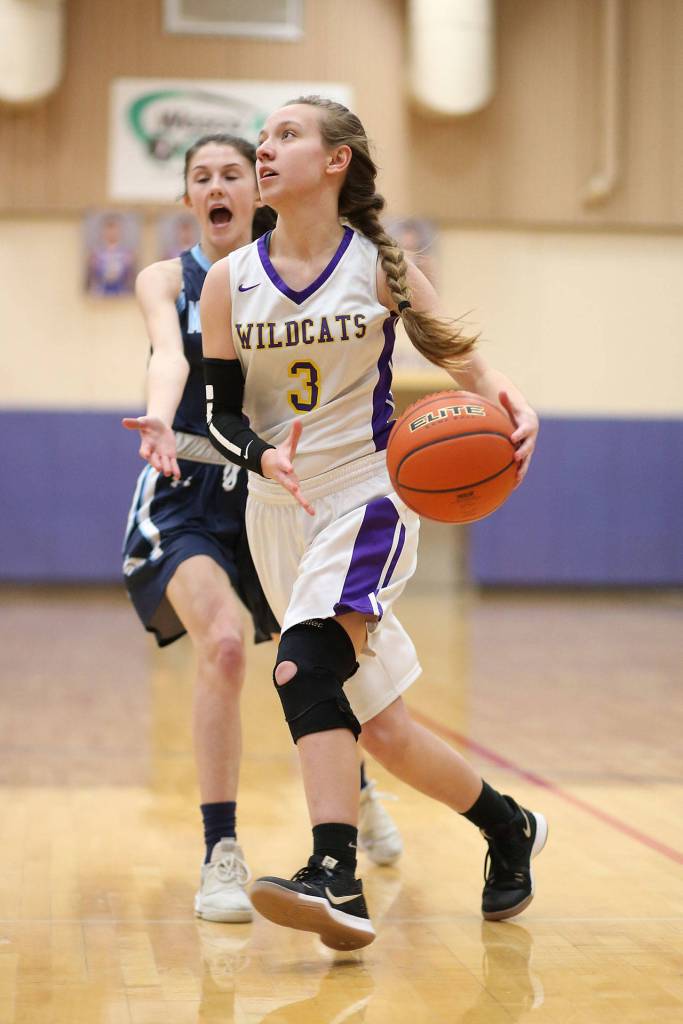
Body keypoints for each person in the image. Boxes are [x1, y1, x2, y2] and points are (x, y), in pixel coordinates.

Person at [200, 97, 546, 952]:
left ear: (335, 161)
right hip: (276, 511)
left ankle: (335, 874)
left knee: (301, 663)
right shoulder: (228, 281)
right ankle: (508, 827)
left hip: (367, 495)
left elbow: (460, 358)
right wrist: (260, 459)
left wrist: (509, 400)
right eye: (262, 137)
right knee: (381, 727)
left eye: (286, 135)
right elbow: (215, 416)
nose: (264, 149)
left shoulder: (378, 267)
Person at [121, 133, 400, 927]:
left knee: (319, 662)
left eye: (231, 174)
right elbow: (171, 357)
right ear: (189, 198)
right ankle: (221, 851)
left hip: (277, 491)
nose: (217, 186)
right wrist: (158, 413)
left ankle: (356, 792)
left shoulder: (294, 274)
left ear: (257, 190)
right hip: (185, 488)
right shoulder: (169, 278)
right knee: (224, 643)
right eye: (200, 176)